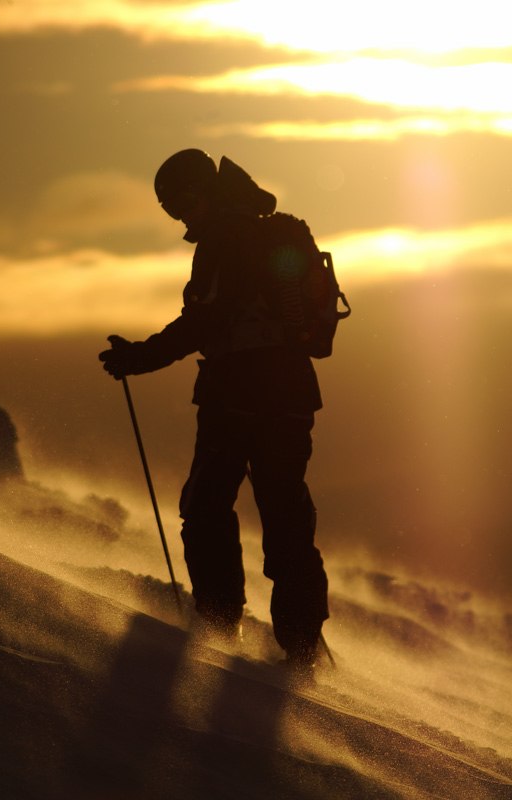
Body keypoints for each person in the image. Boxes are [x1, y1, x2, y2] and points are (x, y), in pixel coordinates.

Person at [99, 149, 329, 670]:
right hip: (291, 397)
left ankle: (221, 627)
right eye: (169, 209)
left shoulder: (226, 238)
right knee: (286, 514)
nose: (180, 216)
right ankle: (301, 647)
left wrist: (139, 356)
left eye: (180, 202)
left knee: (206, 507)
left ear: (202, 190)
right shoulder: (271, 231)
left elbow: (204, 321)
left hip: (235, 396)